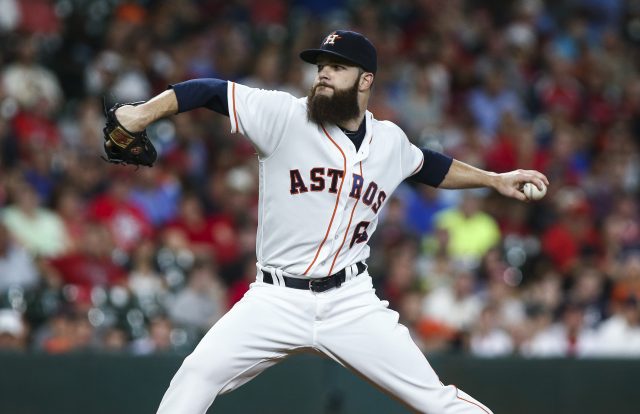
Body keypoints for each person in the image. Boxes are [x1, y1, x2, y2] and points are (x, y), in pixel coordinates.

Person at [113, 30, 548, 414]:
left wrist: (494, 180)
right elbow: (209, 90)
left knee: (433, 400)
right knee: (197, 374)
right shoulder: (285, 116)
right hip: (275, 299)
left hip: (350, 302)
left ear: (366, 80)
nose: (323, 74)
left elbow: (429, 166)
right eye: (320, 66)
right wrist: (139, 115)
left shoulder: (390, 141)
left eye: (337, 67)